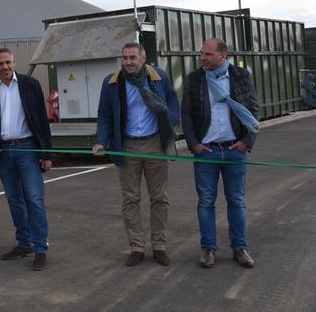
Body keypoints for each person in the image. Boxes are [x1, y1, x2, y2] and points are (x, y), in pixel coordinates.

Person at [92, 42, 180, 267]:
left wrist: (171, 122)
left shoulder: (158, 77)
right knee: (130, 199)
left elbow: (172, 101)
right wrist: (102, 141)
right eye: (125, 58)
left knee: (159, 197)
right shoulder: (111, 82)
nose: (128, 62)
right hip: (127, 146)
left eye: (132, 58)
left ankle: (159, 246)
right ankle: (137, 247)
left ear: (143, 58)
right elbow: (104, 115)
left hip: (154, 144)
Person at [182, 38, 259, 269]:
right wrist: (193, 143)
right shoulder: (194, 79)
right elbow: (186, 114)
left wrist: (247, 140)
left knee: (236, 201)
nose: (202, 58)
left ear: (222, 56)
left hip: (235, 150)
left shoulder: (241, 76)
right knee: (206, 202)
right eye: (201, 53)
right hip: (206, 151)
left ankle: (239, 248)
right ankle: (208, 249)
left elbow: (253, 110)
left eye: (207, 54)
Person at [0, 48, 52, 271]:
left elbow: (42, 119)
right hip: (4, 153)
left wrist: (47, 154)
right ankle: (24, 243)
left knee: (34, 199)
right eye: (0, 64)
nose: (5, 67)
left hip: (27, 148)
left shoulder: (30, 85)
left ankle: (40, 248)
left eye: (8, 62)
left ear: (14, 62)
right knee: (13, 199)